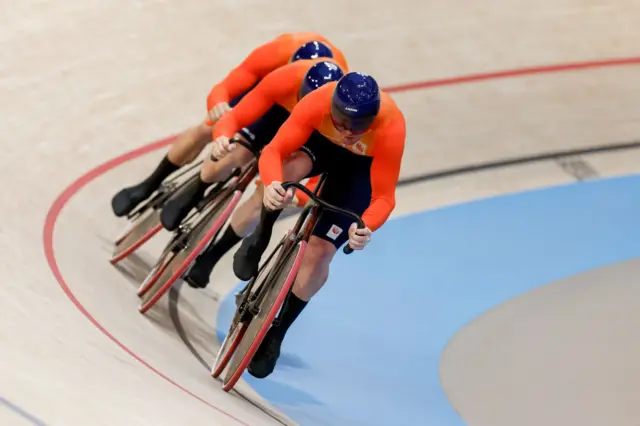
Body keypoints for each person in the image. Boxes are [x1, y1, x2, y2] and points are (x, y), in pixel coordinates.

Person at [231, 72, 406, 379]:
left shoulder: (391, 126)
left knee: (320, 253)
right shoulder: (316, 102)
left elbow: (383, 196)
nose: (350, 132)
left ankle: (277, 333)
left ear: (373, 118)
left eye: (360, 125)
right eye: (342, 121)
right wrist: (273, 184)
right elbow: (274, 150)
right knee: (287, 173)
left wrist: (365, 226)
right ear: (332, 109)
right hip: (321, 147)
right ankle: (260, 237)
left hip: (358, 171)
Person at [110, 33, 347, 217]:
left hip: (306, 118)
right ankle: (150, 183)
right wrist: (218, 107)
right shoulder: (281, 51)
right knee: (210, 129)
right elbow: (227, 86)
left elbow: (326, 151)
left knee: (279, 160)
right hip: (267, 94)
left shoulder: (337, 96)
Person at [170, 58, 347, 289]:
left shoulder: (340, 120)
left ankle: (211, 256)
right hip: (280, 113)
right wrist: (223, 136)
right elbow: (236, 116)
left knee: (269, 194)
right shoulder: (285, 79)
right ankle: (197, 188)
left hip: (311, 133)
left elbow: (324, 174)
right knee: (234, 154)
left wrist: (297, 195)